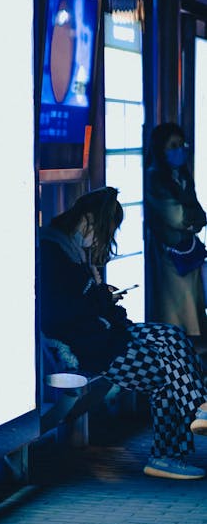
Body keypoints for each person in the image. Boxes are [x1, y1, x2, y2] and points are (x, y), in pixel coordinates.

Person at [39, 186, 207, 480]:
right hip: (93, 346)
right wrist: (101, 297)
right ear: (88, 220)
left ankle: (194, 415)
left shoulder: (73, 251)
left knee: (171, 336)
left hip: (108, 335)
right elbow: (66, 311)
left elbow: (89, 303)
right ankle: (181, 434)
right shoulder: (55, 254)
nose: (99, 240)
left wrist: (103, 298)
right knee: (166, 371)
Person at [145, 122, 207, 339]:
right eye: (173, 145)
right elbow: (177, 216)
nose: (179, 150)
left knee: (192, 306)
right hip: (170, 253)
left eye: (181, 144)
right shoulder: (155, 177)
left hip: (187, 252)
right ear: (161, 149)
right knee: (175, 310)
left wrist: (192, 220)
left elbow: (199, 215)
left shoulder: (181, 175)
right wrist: (191, 220)